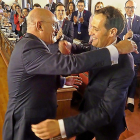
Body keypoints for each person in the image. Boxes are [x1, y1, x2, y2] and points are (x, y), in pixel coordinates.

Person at [2, 8, 137, 140]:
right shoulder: (29, 48)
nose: (90, 32)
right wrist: (114, 49)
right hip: (25, 123)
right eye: (54, 25)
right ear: (39, 25)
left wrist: (63, 82)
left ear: (112, 32)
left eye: (95, 29)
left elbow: (107, 111)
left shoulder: (125, 62)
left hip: (106, 122)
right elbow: (79, 58)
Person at [119, 0, 140, 112]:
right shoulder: (120, 20)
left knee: (133, 74)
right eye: (128, 7)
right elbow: (117, 34)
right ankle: (123, 97)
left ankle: (131, 98)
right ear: (125, 8)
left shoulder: (139, 20)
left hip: (136, 53)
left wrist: (133, 36)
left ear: (135, 8)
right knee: (123, 74)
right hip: (122, 52)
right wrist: (124, 38)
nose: (130, 10)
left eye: (132, 8)